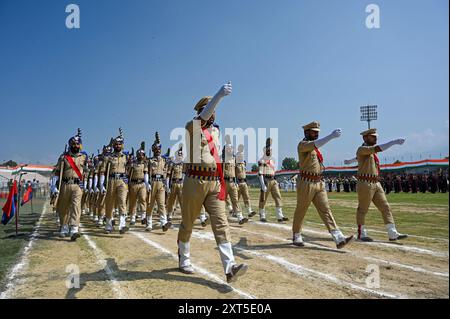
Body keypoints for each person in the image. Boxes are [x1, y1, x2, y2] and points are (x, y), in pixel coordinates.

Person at [177, 82, 248, 283]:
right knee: (188, 223)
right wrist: (219, 95)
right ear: (201, 112)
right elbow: (203, 118)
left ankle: (229, 267)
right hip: (194, 181)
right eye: (210, 110)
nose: (213, 114)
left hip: (214, 182)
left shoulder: (216, 131)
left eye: (215, 111)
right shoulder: (191, 126)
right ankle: (184, 257)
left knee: (221, 223)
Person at [292, 121, 353, 248]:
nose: (316, 134)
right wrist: (331, 136)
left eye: (317, 132)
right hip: (306, 182)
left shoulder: (315, 148)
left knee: (326, 210)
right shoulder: (303, 145)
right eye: (313, 132)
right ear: (306, 132)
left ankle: (338, 237)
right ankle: (296, 234)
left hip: (318, 182)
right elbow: (315, 144)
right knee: (301, 209)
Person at [355, 128, 408, 242]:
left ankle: (392, 233)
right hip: (365, 182)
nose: (375, 138)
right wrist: (393, 142)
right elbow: (378, 148)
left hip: (375, 182)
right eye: (372, 136)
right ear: (365, 138)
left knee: (385, 207)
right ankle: (361, 234)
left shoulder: (371, 153)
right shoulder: (362, 149)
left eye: (375, 136)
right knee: (363, 209)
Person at [51, 129, 87, 241]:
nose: (75, 145)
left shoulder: (84, 157)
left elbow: (86, 171)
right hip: (65, 184)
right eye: (73, 144)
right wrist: (54, 186)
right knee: (63, 207)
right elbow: (56, 172)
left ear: (80, 145)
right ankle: (64, 226)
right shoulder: (63, 157)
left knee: (76, 206)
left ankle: (74, 228)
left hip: (77, 185)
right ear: (70, 145)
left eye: (77, 144)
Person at [100, 129, 129, 234]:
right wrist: (102, 184)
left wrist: (127, 181)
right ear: (113, 146)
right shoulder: (108, 157)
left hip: (122, 181)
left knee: (122, 201)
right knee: (109, 203)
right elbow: (103, 171)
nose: (118, 146)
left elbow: (129, 169)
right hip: (111, 180)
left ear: (122, 145)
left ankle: (122, 225)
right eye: (116, 144)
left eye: (119, 144)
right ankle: (108, 225)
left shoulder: (126, 157)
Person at [145, 132, 172, 231]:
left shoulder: (164, 160)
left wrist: (167, 185)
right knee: (150, 204)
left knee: (161, 204)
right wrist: (147, 183)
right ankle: (149, 223)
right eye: (156, 149)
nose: (158, 151)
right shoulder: (150, 161)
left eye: (159, 149)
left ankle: (164, 222)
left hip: (161, 183)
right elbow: (147, 172)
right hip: (152, 182)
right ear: (153, 150)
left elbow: (165, 173)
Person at [258, 138, 288, 223]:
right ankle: (262, 215)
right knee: (263, 199)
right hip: (266, 180)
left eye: (271, 151)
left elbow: (273, 170)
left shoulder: (273, 160)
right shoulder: (262, 160)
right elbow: (260, 173)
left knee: (278, 197)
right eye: (268, 151)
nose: (270, 152)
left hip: (273, 179)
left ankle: (280, 216)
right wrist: (263, 184)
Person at [127, 142, 150, 226]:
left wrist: (147, 184)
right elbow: (128, 175)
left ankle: (143, 217)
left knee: (143, 199)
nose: (141, 156)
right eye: (139, 154)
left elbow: (146, 173)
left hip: (142, 184)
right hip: (133, 184)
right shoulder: (133, 164)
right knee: (132, 201)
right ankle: (132, 217)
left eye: (142, 154)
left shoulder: (145, 164)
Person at [235, 144, 256, 218]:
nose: (241, 156)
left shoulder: (244, 163)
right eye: (240, 155)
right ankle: (235, 212)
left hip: (244, 182)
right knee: (236, 199)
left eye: (242, 155)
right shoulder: (235, 164)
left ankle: (249, 211)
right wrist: (235, 182)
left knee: (246, 197)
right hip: (238, 182)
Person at [166, 144, 185, 222]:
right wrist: (167, 185)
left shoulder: (183, 165)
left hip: (181, 184)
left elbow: (184, 175)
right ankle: (169, 214)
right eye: (179, 155)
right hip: (174, 183)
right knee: (171, 200)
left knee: (182, 201)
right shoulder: (172, 164)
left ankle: (184, 215)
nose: (180, 156)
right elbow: (168, 175)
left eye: (181, 155)